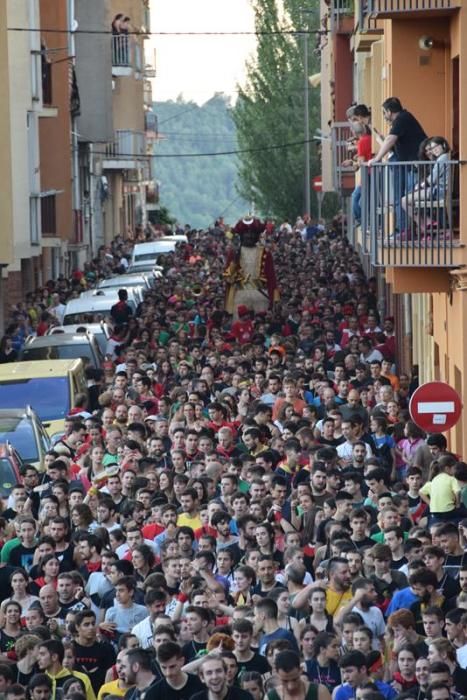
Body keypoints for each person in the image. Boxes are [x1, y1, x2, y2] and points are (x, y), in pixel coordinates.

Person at [266, 650, 331, 700]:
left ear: (301, 670)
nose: (291, 686)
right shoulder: (271, 697)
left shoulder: (320, 692)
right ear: (277, 674)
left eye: (294, 679)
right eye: (285, 681)